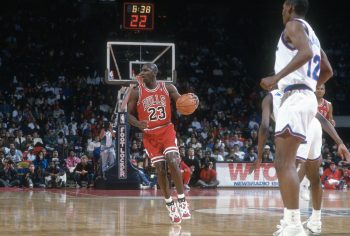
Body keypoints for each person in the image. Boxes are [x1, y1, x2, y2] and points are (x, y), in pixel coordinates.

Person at [260, 1, 333, 235]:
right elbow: (328, 70)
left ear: (290, 7)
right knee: (285, 163)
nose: (281, 11)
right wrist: (312, 86)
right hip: (305, 96)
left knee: (284, 163)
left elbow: (306, 53)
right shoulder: (313, 34)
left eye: (283, 7)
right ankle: (292, 223)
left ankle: (293, 225)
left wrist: (275, 77)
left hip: (296, 97)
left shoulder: (293, 25)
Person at [250, 89, 350, 235]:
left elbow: (264, 126)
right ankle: (316, 222)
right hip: (315, 128)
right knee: (314, 177)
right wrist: (339, 141)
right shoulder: (300, 91)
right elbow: (321, 118)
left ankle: (291, 223)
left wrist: (259, 156)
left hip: (298, 129)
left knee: (288, 171)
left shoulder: (269, 97)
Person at [127, 63, 196, 224]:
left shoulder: (168, 88)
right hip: (149, 135)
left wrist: (189, 103)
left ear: (155, 73)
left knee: (172, 160)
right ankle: (169, 204)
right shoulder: (136, 92)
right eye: (142, 70)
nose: (142, 73)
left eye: (146, 70)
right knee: (160, 169)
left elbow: (181, 102)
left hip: (166, 130)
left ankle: (182, 200)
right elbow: (127, 115)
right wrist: (137, 123)